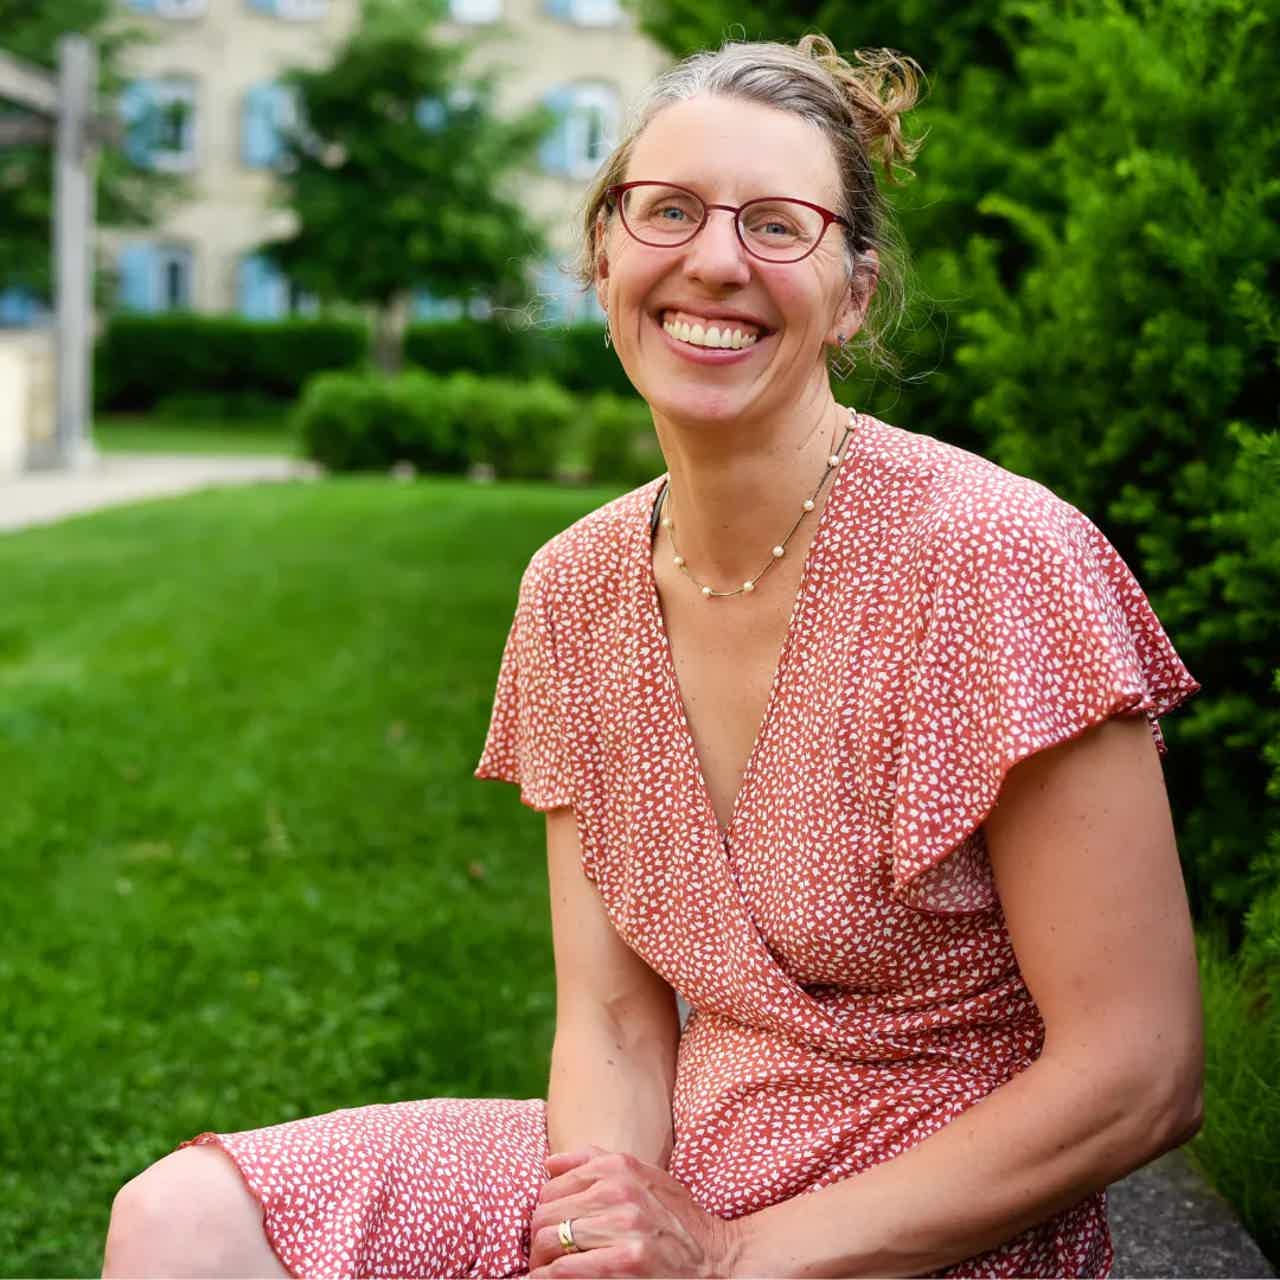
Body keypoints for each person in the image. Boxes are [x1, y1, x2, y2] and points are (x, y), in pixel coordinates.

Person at [101, 32, 1204, 1280]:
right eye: (666, 210)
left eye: (778, 225)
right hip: (679, 1166)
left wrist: (733, 1258)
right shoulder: (574, 587)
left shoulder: (991, 560)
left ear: (852, 290)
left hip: (923, 1225)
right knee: (180, 1218)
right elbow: (616, 1025)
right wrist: (596, 1244)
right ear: (603, 255)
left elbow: (1138, 1072)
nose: (713, 260)